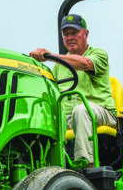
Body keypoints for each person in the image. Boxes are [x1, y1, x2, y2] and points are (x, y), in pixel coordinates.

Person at [29, 13, 117, 168]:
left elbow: (84, 64)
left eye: (74, 33)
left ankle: (87, 166)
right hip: (67, 118)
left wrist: (50, 56)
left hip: (102, 113)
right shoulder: (57, 67)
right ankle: (46, 168)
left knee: (81, 110)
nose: (70, 37)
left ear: (86, 33)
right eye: (65, 34)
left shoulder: (98, 54)